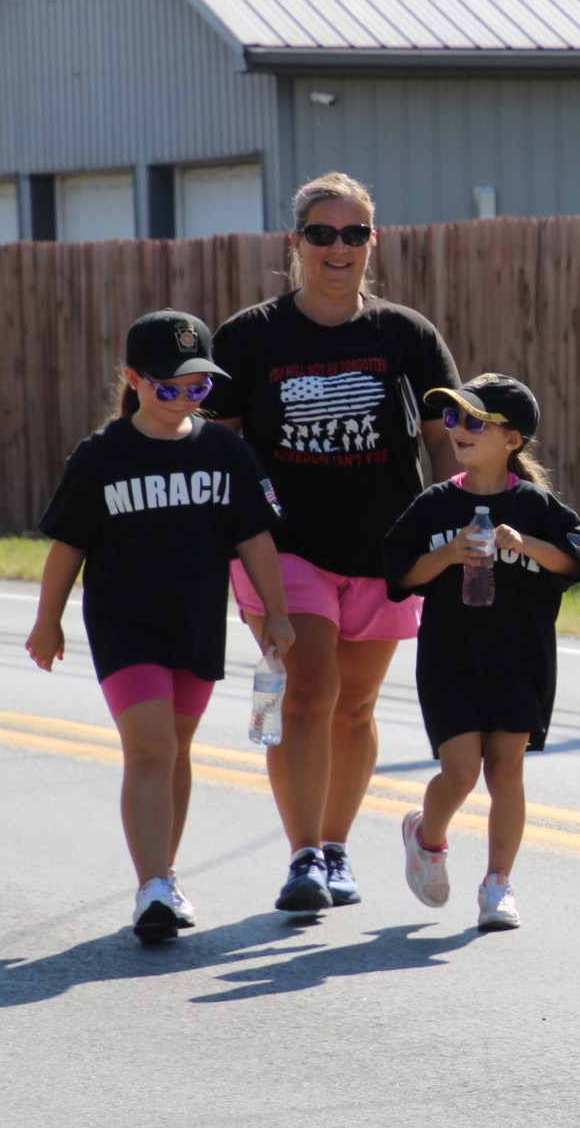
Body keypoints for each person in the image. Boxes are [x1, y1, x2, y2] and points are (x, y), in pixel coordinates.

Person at [205, 173, 464, 912]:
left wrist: (453, 523)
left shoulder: (405, 335)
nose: (338, 247)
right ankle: (303, 857)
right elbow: (219, 448)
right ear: (297, 243)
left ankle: (339, 845)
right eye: (322, 234)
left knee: (355, 705)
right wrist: (220, 539)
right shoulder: (250, 336)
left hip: (383, 547)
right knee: (309, 690)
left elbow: (446, 441)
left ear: (371, 243)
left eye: (354, 234)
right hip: (282, 546)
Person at [26, 309, 296, 943]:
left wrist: (275, 612)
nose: (183, 400)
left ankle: (165, 876)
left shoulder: (225, 449)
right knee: (149, 747)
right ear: (134, 380)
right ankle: (151, 887)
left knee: (175, 749)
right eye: (168, 387)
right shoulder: (101, 456)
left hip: (196, 623)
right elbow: (67, 547)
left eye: (197, 388)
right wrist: (48, 622)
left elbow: (255, 539)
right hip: (125, 625)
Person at [381, 374, 580, 931]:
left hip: (520, 660)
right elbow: (400, 573)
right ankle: (426, 837)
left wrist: (527, 546)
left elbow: (575, 563)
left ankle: (498, 885)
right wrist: (450, 554)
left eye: (474, 421)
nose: (459, 430)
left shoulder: (538, 506)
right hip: (450, 660)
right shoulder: (434, 506)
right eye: (452, 418)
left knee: (506, 770)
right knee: (459, 772)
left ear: (512, 440)